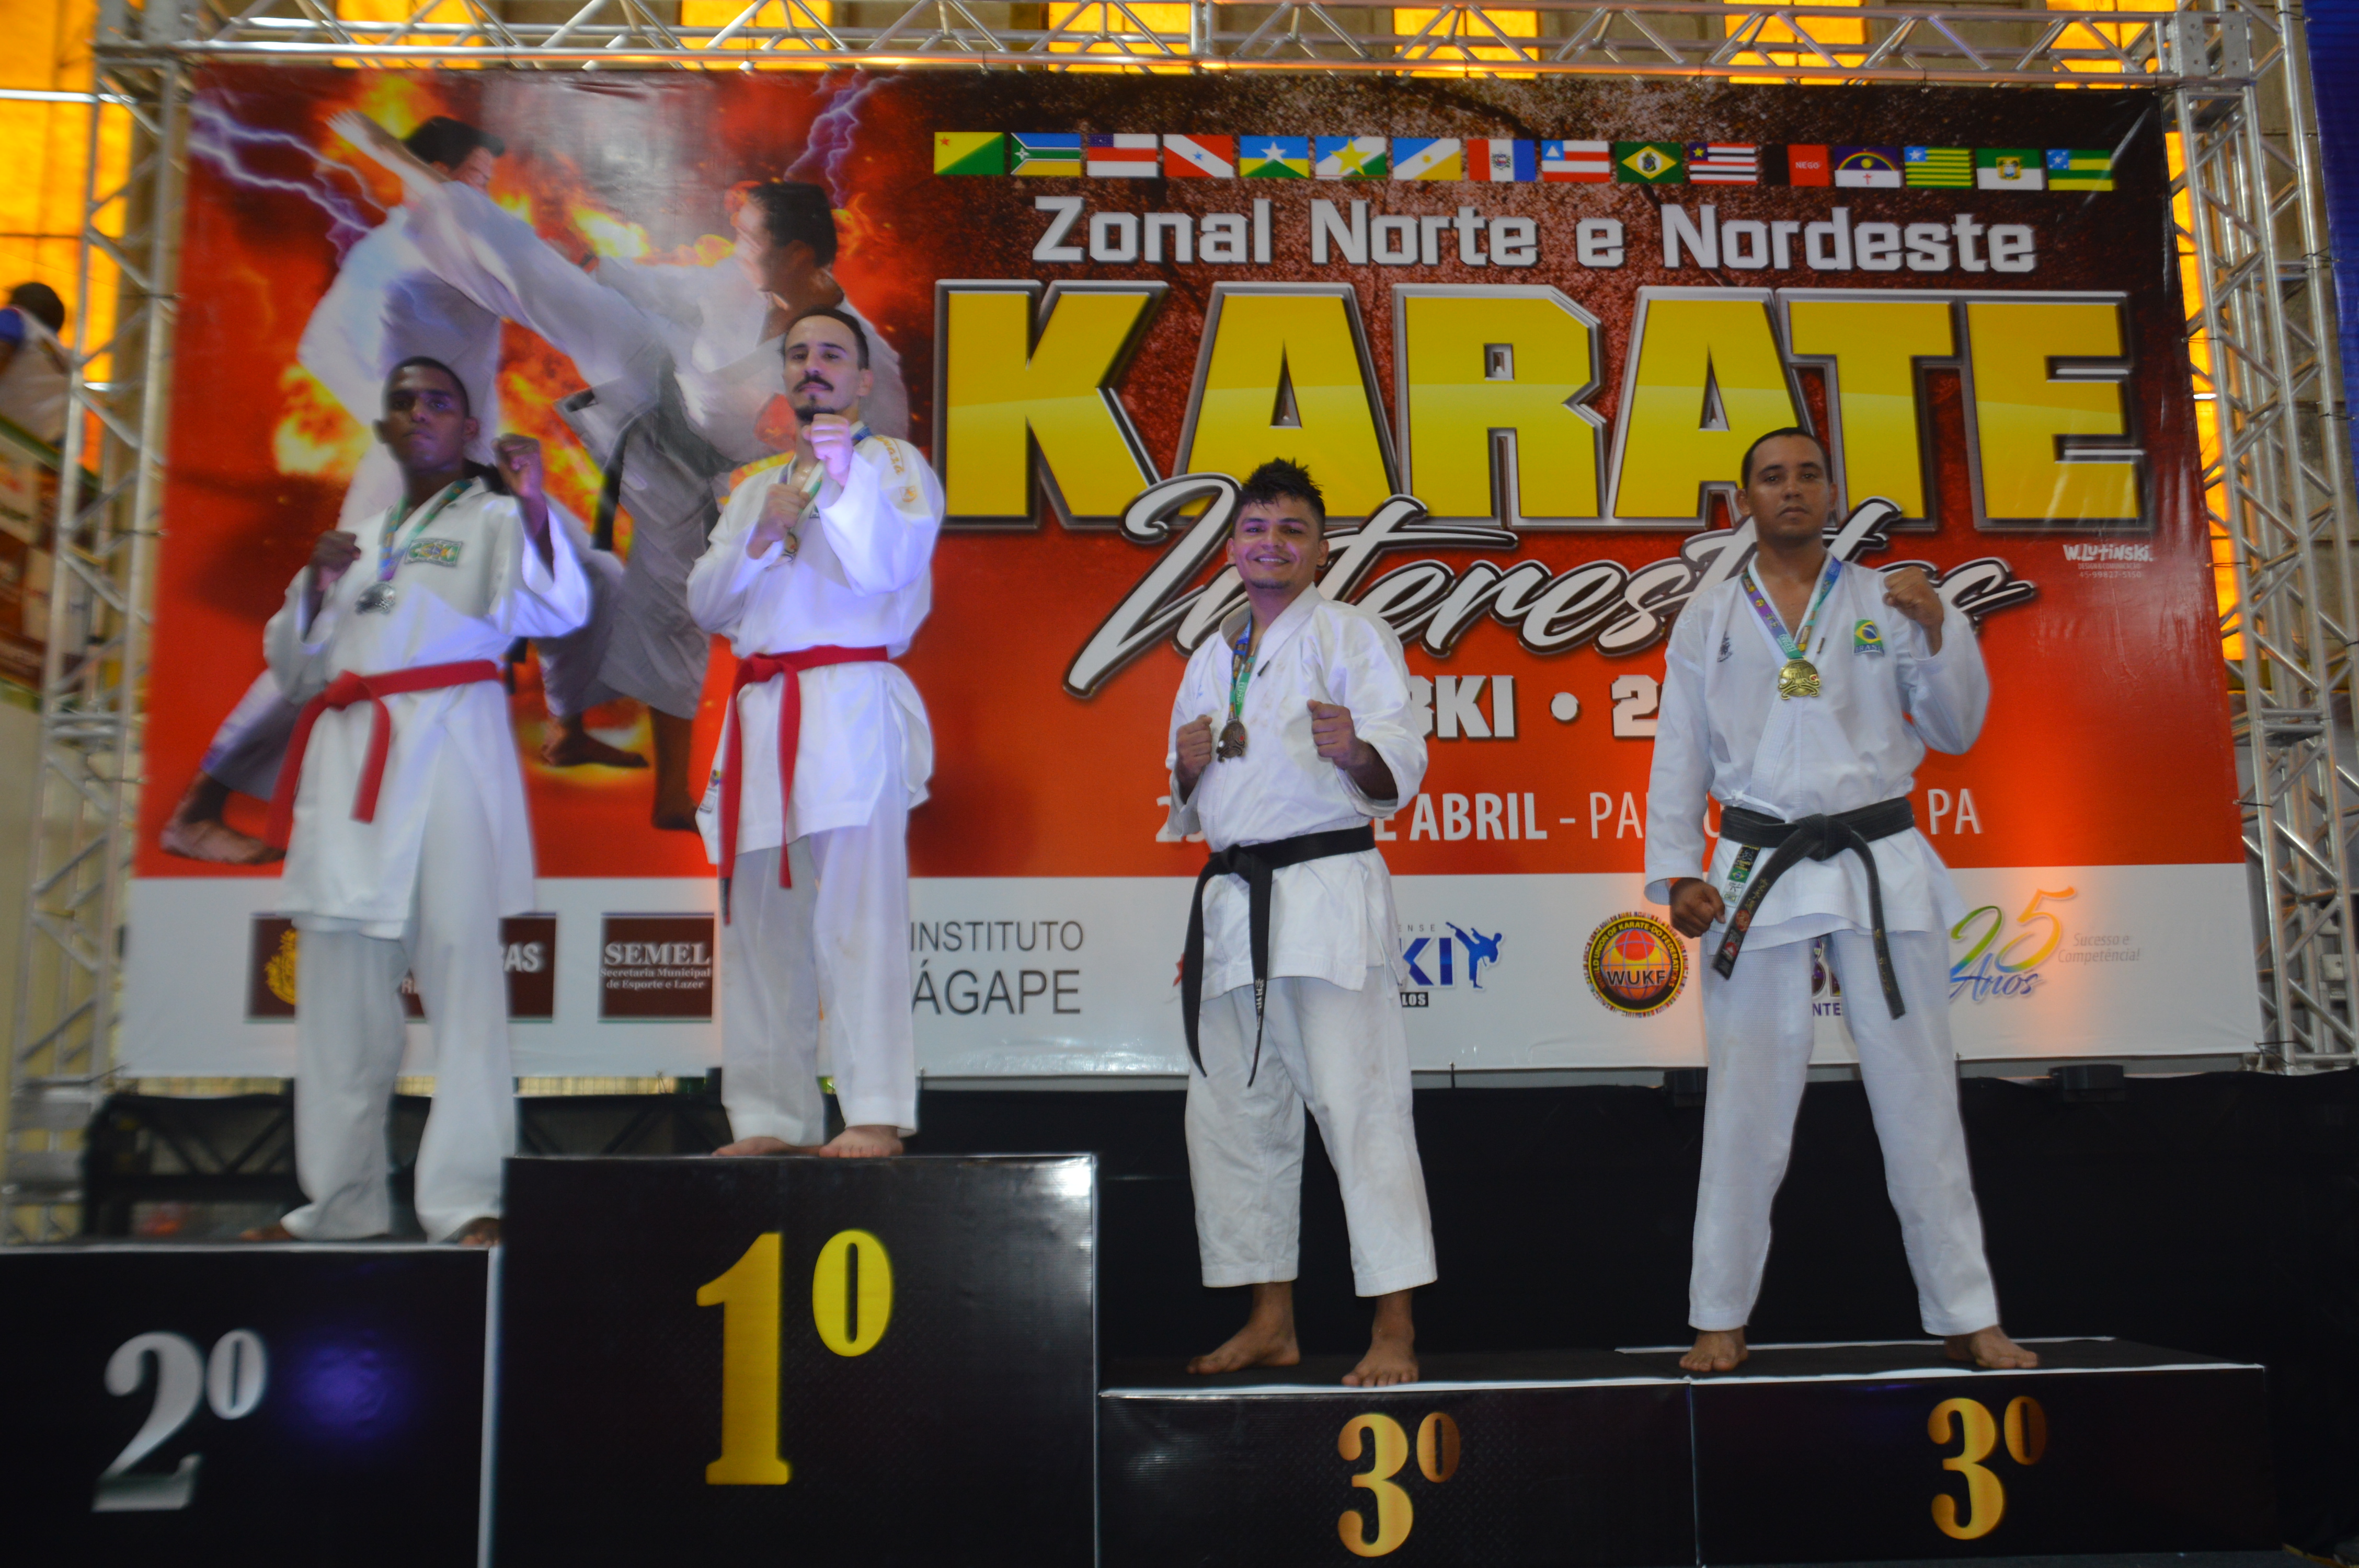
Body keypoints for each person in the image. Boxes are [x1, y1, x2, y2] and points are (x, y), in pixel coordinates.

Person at [335, 110, 909, 831]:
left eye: (748, 240)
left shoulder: (858, 351)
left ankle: (675, 797)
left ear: (796, 254)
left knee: (672, 611)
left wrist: (817, 471)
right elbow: (670, 292)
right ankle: (421, 181)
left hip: (704, 470)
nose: (735, 250)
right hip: (652, 368)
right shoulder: (737, 284)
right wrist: (594, 267)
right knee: (549, 284)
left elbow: (888, 450)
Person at [1645, 427, 2037, 1373]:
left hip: (1876, 856)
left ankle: (1967, 1312)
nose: (1791, 489)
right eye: (1771, 477)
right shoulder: (1710, 615)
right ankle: (1718, 1315)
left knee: (1919, 1094)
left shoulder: (1886, 600)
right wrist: (1678, 871)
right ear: (1743, 499)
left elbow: (1956, 728)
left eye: (1808, 475)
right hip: (1758, 862)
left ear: (1832, 494)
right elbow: (1679, 749)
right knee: (1745, 1100)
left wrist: (1939, 630)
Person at [256, 357, 588, 1244]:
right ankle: (338, 1204)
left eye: (439, 402)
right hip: (350, 765)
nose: (419, 413)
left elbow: (558, 611)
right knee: (338, 998)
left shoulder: (495, 520)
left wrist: (532, 504)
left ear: (469, 429)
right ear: (384, 430)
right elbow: (294, 671)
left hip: (446, 752)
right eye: (403, 403)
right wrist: (314, 589)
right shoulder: (358, 540)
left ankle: (467, 1200)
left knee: (463, 983)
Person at [163, 117, 513, 867]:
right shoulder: (393, 252)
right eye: (475, 181)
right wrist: (404, 431)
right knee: (337, 636)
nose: (483, 197)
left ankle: (405, 818)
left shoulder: (456, 249)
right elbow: (321, 345)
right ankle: (198, 807)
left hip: (464, 476)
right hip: (409, 480)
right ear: (435, 174)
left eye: (487, 184)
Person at [1165, 458, 1435, 1388]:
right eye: (1254, 528)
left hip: (1324, 891)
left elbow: (1399, 764)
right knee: (1237, 1118)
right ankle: (1270, 1321)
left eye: (1291, 529)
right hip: (1232, 901)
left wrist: (1356, 751)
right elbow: (1192, 805)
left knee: (1361, 1110)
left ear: (1321, 548)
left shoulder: (1352, 635)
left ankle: (1394, 1327)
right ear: (1232, 546)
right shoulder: (1212, 655)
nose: (1270, 543)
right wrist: (1186, 769)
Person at [685, 307, 935, 1158]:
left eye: (832, 354)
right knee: (760, 928)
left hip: (849, 703)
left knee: (859, 919)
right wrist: (762, 534)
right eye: (797, 355)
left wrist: (841, 479)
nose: (812, 366)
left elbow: (889, 567)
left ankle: (873, 1113)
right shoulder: (757, 486)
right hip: (764, 712)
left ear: (862, 379)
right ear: (783, 376)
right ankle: (770, 1120)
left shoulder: (894, 465)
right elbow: (706, 604)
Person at [0, 281, 70, 446]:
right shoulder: (65, 358)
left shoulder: (15, 316)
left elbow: (2, 349)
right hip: (40, 445)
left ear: (17, 302)